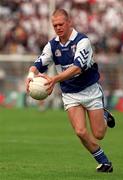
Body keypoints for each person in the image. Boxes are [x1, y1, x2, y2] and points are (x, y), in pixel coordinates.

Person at [26, 9, 115, 173]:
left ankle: (104, 114)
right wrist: (31, 75)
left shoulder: (83, 41)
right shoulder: (53, 45)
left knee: (99, 133)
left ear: (69, 23)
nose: (58, 28)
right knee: (80, 131)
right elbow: (39, 63)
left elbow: (77, 68)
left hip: (91, 90)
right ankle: (104, 162)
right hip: (70, 93)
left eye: (61, 24)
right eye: (55, 25)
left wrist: (54, 79)